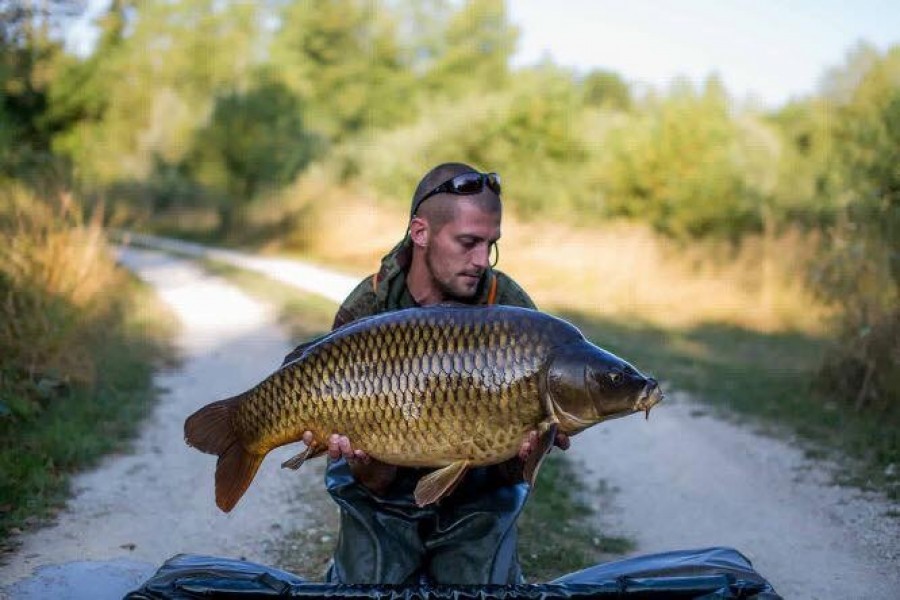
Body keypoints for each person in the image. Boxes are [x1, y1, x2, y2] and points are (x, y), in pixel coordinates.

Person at [283, 162, 568, 585]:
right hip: (383, 473)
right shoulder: (370, 303)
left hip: (477, 482)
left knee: (481, 590)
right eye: (468, 242)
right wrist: (360, 458)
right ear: (420, 233)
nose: (480, 261)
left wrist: (526, 453)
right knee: (368, 586)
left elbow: (514, 469)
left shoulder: (510, 308)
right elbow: (366, 474)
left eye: (490, 245)